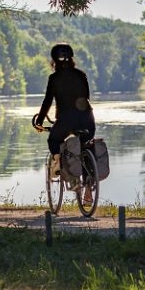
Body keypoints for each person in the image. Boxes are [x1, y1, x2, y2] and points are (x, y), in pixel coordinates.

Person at [35, 43, 96, 189]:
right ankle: (88, 189)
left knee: (54, 140)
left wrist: (39, 120)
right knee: (85, 146)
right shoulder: (81, 75)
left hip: (66, 120)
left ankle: (58, 163)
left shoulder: (54, 78)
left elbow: (48, 101)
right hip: (87, 119)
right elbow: (86, 97)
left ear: (54, 61)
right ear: (71, 58)